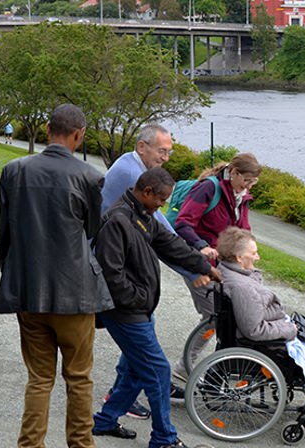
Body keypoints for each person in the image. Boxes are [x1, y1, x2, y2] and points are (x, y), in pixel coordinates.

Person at [0, 104, 115, 448]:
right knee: (78, 378)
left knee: (39, 379)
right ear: (79, 135)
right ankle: (81, 444)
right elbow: (92, 230)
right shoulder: (90, 176)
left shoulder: (13, 171)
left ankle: (30, 445)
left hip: (30, 292)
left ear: (47, 129)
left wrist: (17, 276)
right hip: (75, 294)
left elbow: (3, 239)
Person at [91, 167, 222, 448]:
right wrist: (138, 298)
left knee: (137, 369)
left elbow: (171, 244)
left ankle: (105, 421)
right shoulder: (118, 220)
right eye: (162, 199)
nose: (164, 204)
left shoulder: (143, 215)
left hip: (137, 309)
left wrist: (204, 266)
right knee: (159, 370)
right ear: (147, 191)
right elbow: (110, 275)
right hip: (126, 312)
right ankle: (164, 438)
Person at [99, 123, 204, 418]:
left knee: (141, 336)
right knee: (144, 343)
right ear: (142, 146)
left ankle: (116, 405)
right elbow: (162, 232)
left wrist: (195, 261)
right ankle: (149, 417)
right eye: (162, 150)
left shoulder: (133, 166)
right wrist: (193, 268)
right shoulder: (132, 174)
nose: (167, 157)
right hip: (117, 265)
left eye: (169, 151)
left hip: (128, 264)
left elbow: (162, 235)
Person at [216, 227, 305, 427]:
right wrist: (289, 329)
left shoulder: (232, 272)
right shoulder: (243, 288)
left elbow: (254, 314)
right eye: (254, 253)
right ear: (239, 257)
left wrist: (281, 319)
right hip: (259, 345)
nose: (258, 257)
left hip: (253, 333)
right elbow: (254, 330)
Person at [172, 153, 262, 381]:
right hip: (197, 261)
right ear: (233, 173)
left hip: (221, 264)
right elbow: (183, 223)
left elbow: (242, 229)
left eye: (253, 182)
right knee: (214, 314)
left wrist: (250, 250)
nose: (249, 186)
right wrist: (201, 246)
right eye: (247, 180)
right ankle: (184, 368)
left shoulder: (240, 195)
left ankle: (224, 365)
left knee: (231, 311)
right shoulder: (208, 189)